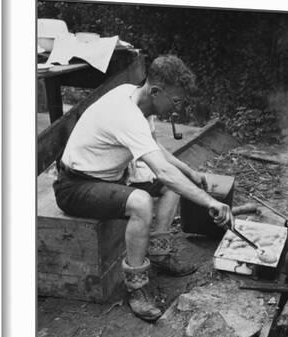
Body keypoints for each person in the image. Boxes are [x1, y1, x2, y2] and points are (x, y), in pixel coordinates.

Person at [54, 55, 232, 322]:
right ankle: (136, 287)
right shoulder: (126, 114)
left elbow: (155, 150)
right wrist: (210, 202)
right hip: (75, 185)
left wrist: (190, 172)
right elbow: (161, 169)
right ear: (156, 91)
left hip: (110, 178)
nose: (177, 108)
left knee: (172, 187)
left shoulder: (136, 98)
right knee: (141, 202)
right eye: (176, 101)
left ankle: (159, 252)